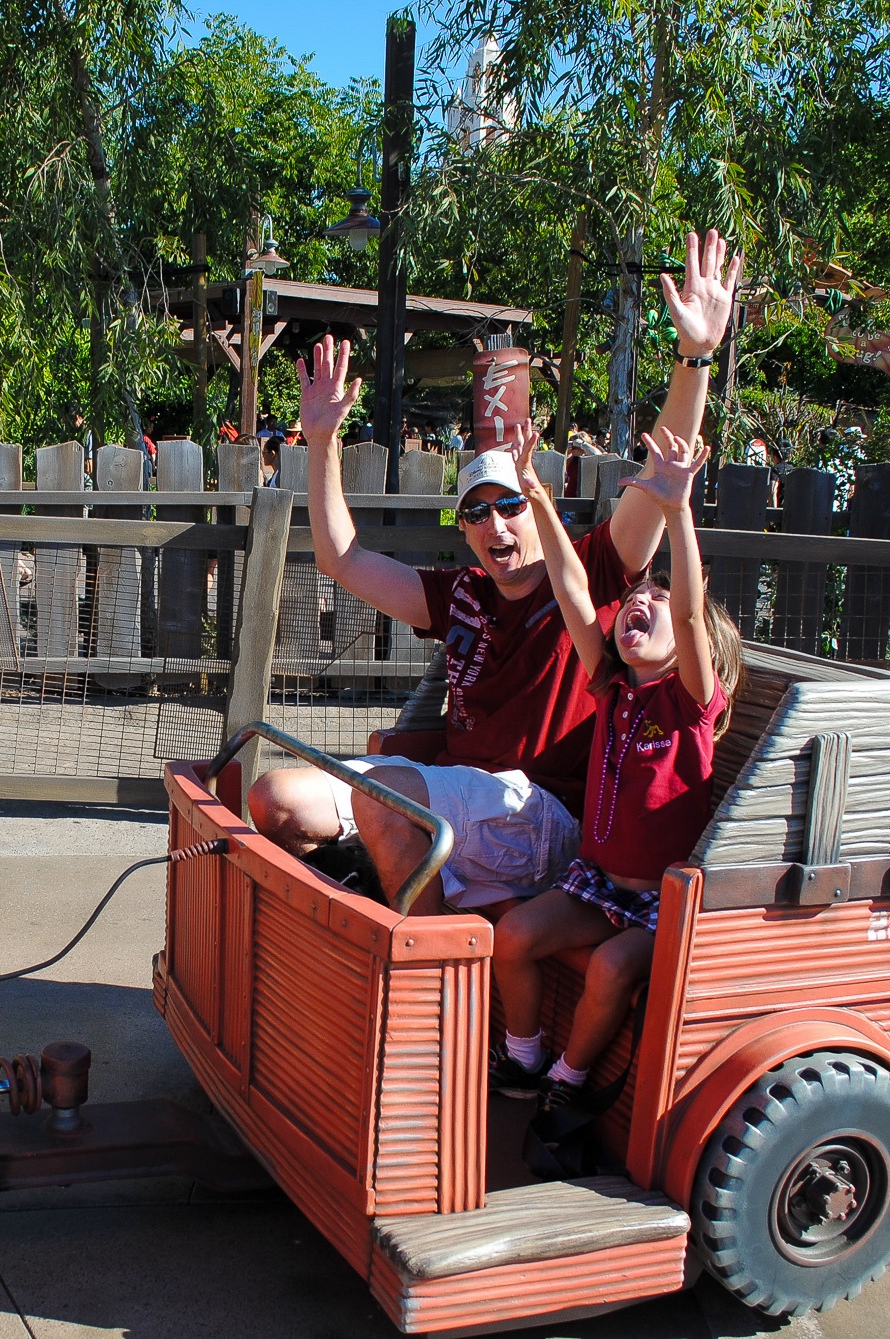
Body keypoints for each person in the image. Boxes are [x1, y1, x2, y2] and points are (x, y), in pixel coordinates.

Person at [246, 229, 743, 916]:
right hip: (458, 796)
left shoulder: (595, 570)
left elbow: (664, 471)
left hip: (540, 812)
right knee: (273, 799)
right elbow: (342, 559)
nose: (494, 525)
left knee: (381, 804)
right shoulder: (463, 595)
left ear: (535, 505)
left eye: (508, 504)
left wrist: (695, 357)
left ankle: (424, 983)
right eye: (475, 514)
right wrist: (324, 439)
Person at [489, 423, 742, 1121]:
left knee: (608, 968)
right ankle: (527, 1053)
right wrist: (535, 491)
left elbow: (689, 611)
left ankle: (567, 1081)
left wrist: (677, 509)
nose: (643, 600)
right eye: (636, 597)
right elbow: (571, 589)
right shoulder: (614, 688)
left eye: (653, 602)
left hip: (659, 903)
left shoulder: (688, 700)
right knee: (511, 936)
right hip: (595, 883)